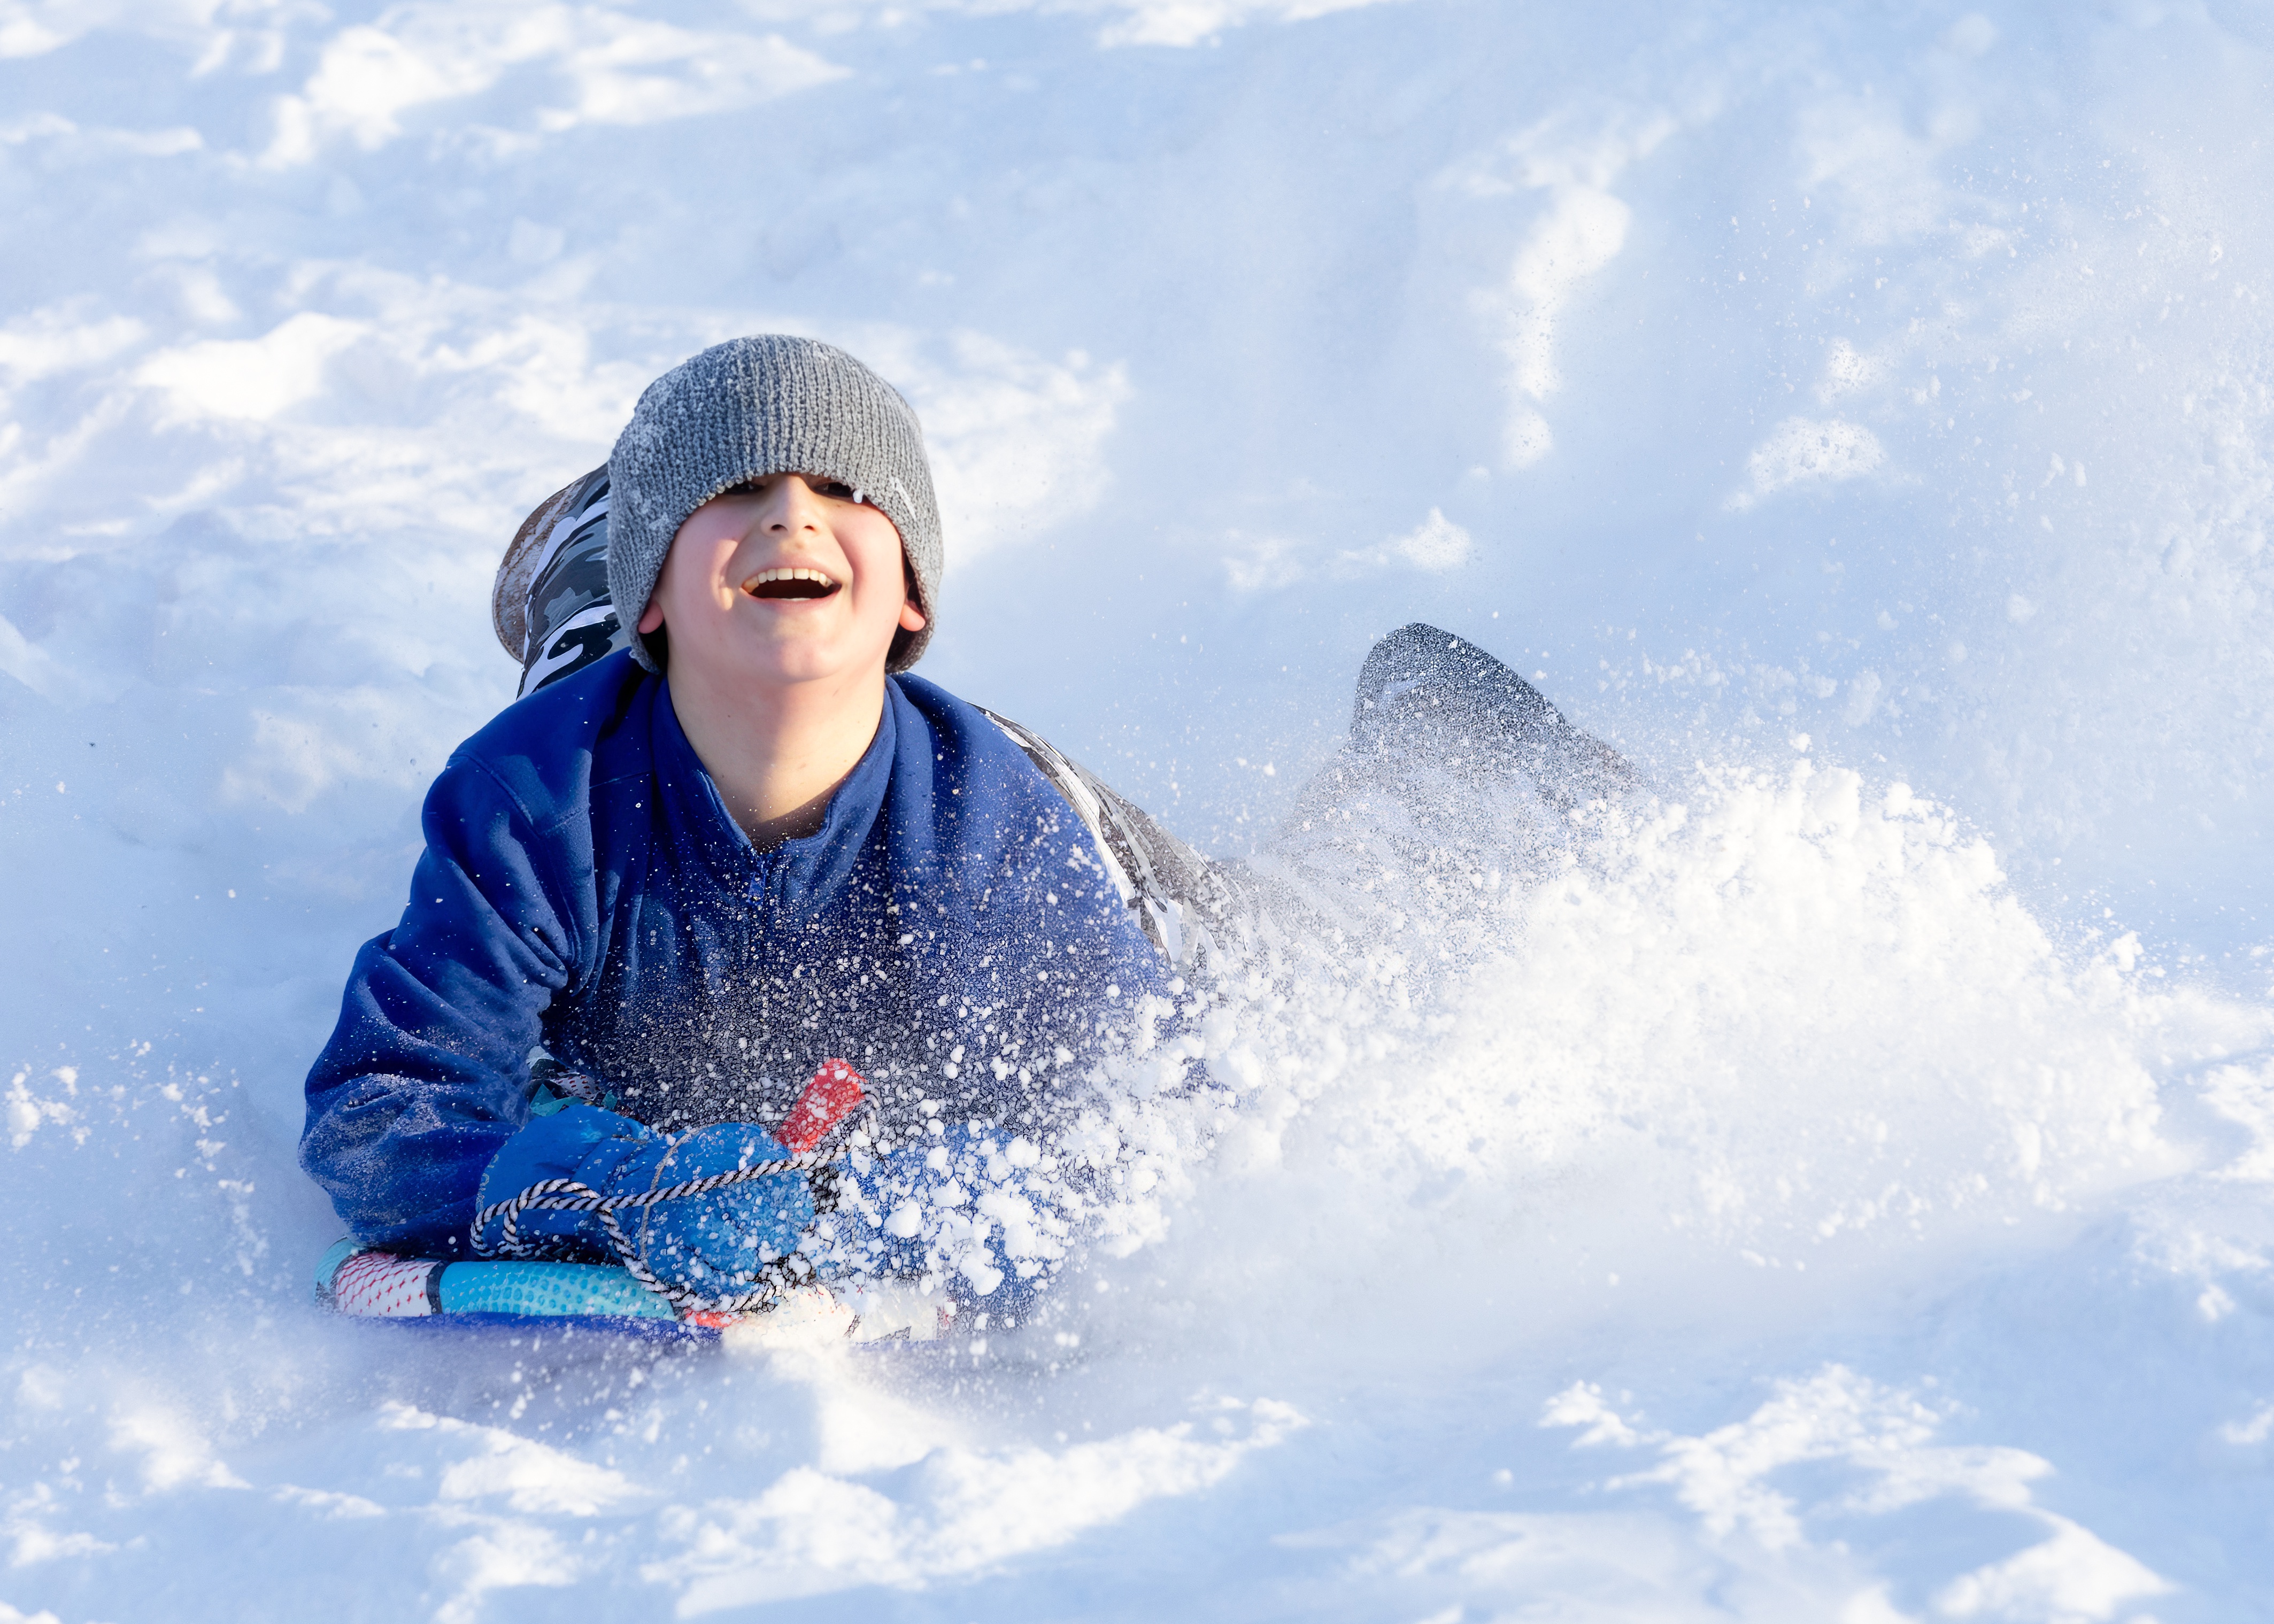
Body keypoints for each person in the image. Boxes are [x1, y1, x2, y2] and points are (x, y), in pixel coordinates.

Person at [300, 333, 1633, 1327]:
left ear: (912, 600)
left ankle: (1429, 755)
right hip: (632, 702)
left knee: (1292, 971)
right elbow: (381, 1107)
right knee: (595, 695)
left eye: (841, 495)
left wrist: (868, 1215)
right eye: (739, 492)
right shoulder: (535, 802)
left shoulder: (996, 845)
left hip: (1076, 845)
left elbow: (1134, 1136)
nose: (792, 510)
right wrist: (591, 1180)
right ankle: (593, 549)